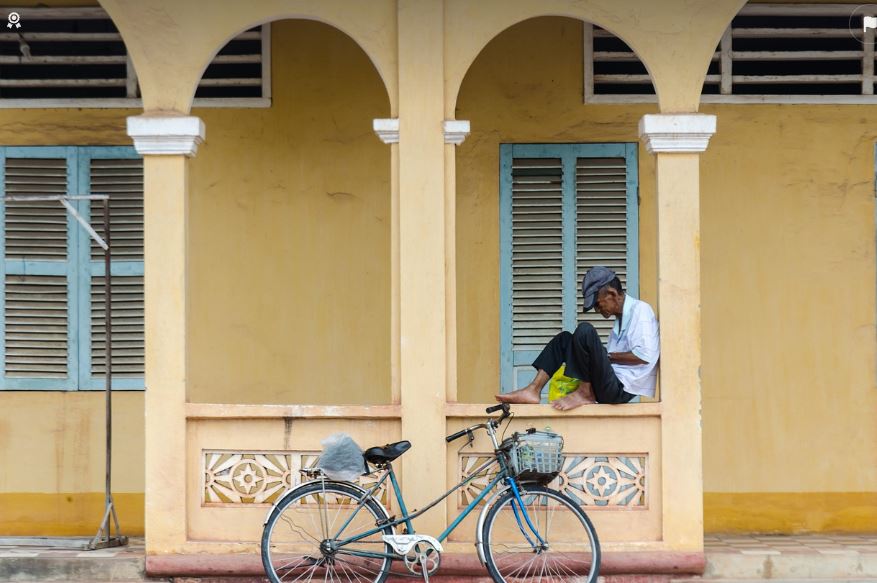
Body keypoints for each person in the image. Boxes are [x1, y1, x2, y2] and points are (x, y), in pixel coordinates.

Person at [496, 266, 659, 411]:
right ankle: (533, 390)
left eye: (597, 303)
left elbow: (644, 356)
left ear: (612, 293)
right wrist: (598, 357)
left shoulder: (640, 310)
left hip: (620, 389)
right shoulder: (620, 320)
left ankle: (584, 392)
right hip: (609, 383)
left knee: (585, 330)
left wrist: (605, 356)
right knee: (565, 339)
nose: (597, 309)